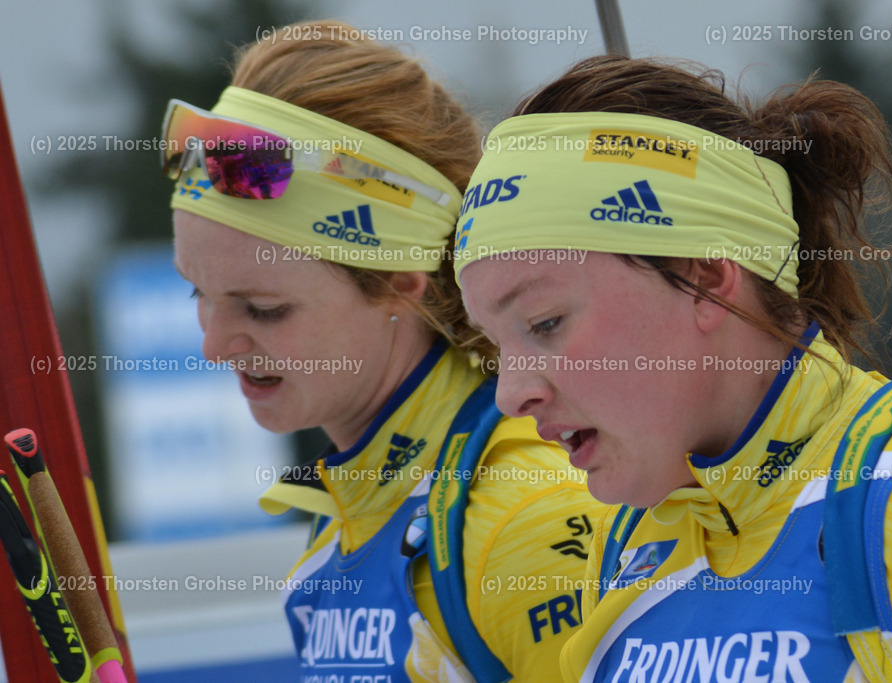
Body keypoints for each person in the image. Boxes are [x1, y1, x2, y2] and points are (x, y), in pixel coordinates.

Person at [455, 54, 892, 682]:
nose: (510, 395)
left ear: (705, 279)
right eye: (495, 346)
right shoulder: (630, 545)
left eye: (544, 324)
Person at [163, 20, 606, 682]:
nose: (213, 344)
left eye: (265, 309)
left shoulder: (523, 518)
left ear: (401, 282)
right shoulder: (347, 510)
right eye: (198, 291)